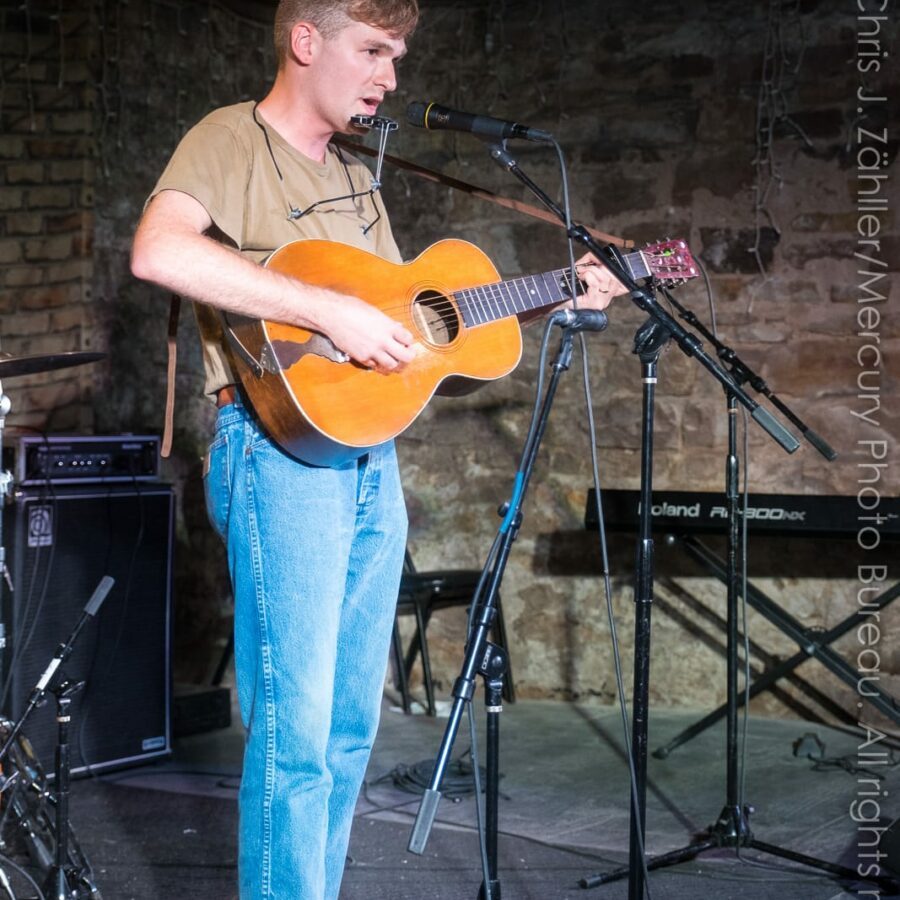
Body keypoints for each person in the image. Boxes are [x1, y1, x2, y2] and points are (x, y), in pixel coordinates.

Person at [131, 1, 626, 896]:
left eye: (396, 57)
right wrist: (323, 310)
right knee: (297, 734)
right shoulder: (228, 139)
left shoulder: (359, 178)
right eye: (372, 51)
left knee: (353, 727)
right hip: (276, 456)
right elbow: (159, 251)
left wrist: (559, 298)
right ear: (306, 42)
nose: (389, 78)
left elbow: (414, 322)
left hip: (365, 460)